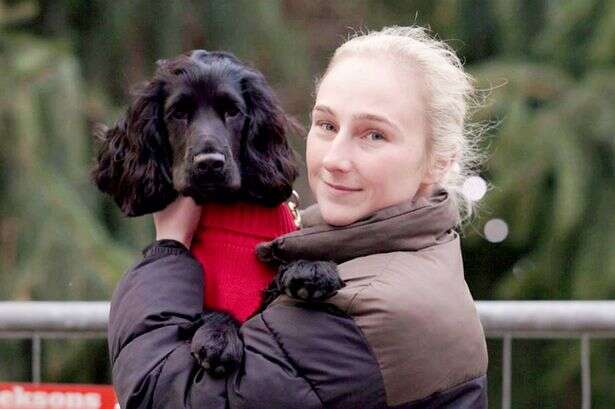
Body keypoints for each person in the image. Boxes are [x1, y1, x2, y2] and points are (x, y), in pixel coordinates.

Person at [108, 26, 488, 409]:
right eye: (327, 125)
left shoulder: (368, 310)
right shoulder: (408, 255)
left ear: (439, 161)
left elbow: (157, 397)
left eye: (374, 135)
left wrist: (169, 246)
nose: (335, 160)